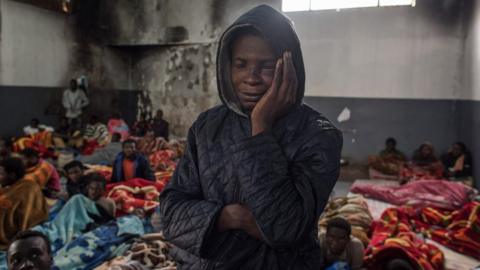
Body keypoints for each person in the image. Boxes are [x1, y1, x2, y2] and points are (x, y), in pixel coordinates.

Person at [159, 5, 342, 269]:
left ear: (291, 68)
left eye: (266, 66)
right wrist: (232, 217)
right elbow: (170, 217)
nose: (251, 78)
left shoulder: (318, 135)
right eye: (240, 65)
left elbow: (284, 229)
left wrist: (261, 124)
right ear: (227, 67)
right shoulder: (208, 126)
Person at [0, 158, 48, 250]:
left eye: (1, 174)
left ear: (12, 175)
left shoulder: (27, 188)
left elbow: (22, 214)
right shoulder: (11, 187)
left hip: (14, 232)